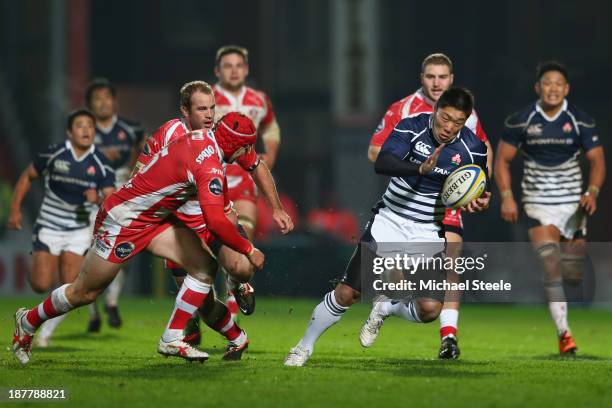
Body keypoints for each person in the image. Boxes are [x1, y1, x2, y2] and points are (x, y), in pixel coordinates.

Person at [12, 111, 266, 366]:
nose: (247, 153)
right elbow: (216, 222)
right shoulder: (209, 164)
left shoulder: (201, 137)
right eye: (246, 147)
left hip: (154, 219)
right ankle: (28, 321)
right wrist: (248, 249)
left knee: (204, 267)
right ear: (236, 145)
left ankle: (172, 337)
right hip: (124, 221)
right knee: (85, 293)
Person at [284, 88, 490, 367]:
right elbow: (383, 162)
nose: (449, 127)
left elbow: (478, 186)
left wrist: (480, 200)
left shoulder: (473, 147)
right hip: (389, 222)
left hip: (427, 231)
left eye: (458, 122)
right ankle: (303, 347)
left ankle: (387, 306)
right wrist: (418, 169)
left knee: (430, 309)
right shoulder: (411, 127)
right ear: (435, 110)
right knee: (348, 293)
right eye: (445, 118)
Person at [139, 81, 293, 354]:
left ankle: (236, 283)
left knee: (243, 267)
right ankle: (233, 336)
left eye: (212, 108)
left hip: (215, 219)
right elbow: (139, 176)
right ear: (184, 110)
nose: (209, 115)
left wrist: (277, 207)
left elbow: (257, 166)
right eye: (202, 109)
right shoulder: (166, 135)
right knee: (202, 301)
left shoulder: (223, 132)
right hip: (178, 225)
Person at [367, 53, 492, 359]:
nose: (437, 83)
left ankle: (449, 337)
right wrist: (417, 169)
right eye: (430, 77)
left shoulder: (466, 113)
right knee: (400, 279)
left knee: (451, 263)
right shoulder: (403, 109)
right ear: (421, 78)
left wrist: (479, 188)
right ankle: (388, 305)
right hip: (408, 202)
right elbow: (375, 152)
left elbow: (483, 151)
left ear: (451, 79)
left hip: (447, 201)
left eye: (443, 77)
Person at [494, 61, 605, 355]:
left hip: (572, 208)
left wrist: (592, 191)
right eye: (547, 83)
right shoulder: (520, 121)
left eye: (558, 84)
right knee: (551, 265)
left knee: (572, 273)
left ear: (566, 89)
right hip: (537, 206)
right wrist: (506, 195)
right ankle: (564, 333)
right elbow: (502, 160)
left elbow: (597, 162)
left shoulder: (581, 121)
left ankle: (563, 310)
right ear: (538, 88)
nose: (553, 88)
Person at [8, 109, 115, 347]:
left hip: (78, 231)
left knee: (72, 288)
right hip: (49, 225)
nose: (86, 129)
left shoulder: (101, 163)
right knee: (41, 285)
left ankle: (44, 332)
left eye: (90, 125)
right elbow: (27, 176)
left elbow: (111, 198)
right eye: (80, 125)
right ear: (69, 132)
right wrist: (15, 209)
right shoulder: (55, 153)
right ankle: (36, 266)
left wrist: (97, 198)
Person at [212, 45, 281, 316]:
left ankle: (232, 294)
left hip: (244, 178)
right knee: (215, 244)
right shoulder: (209, 98)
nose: (233, 70)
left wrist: (271, 152)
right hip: (213, 177)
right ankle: (213, 291)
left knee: (244, 236)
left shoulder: (258, 100)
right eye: (228, 66)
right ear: (218, 71)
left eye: (238, 65)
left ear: (246, 69)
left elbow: (271, 126)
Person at [85, 78, 145, 331]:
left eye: (106, 97)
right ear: (90, 105)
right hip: (89, 199)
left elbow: (148, 151)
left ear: (114, 101)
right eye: (97, 99)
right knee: (88, 254)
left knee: (123, 252)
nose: (102, 103)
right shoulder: (83, 129)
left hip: (123, 197)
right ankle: (93, 311)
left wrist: (137, 173)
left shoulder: (130, 129)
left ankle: (111, 302)